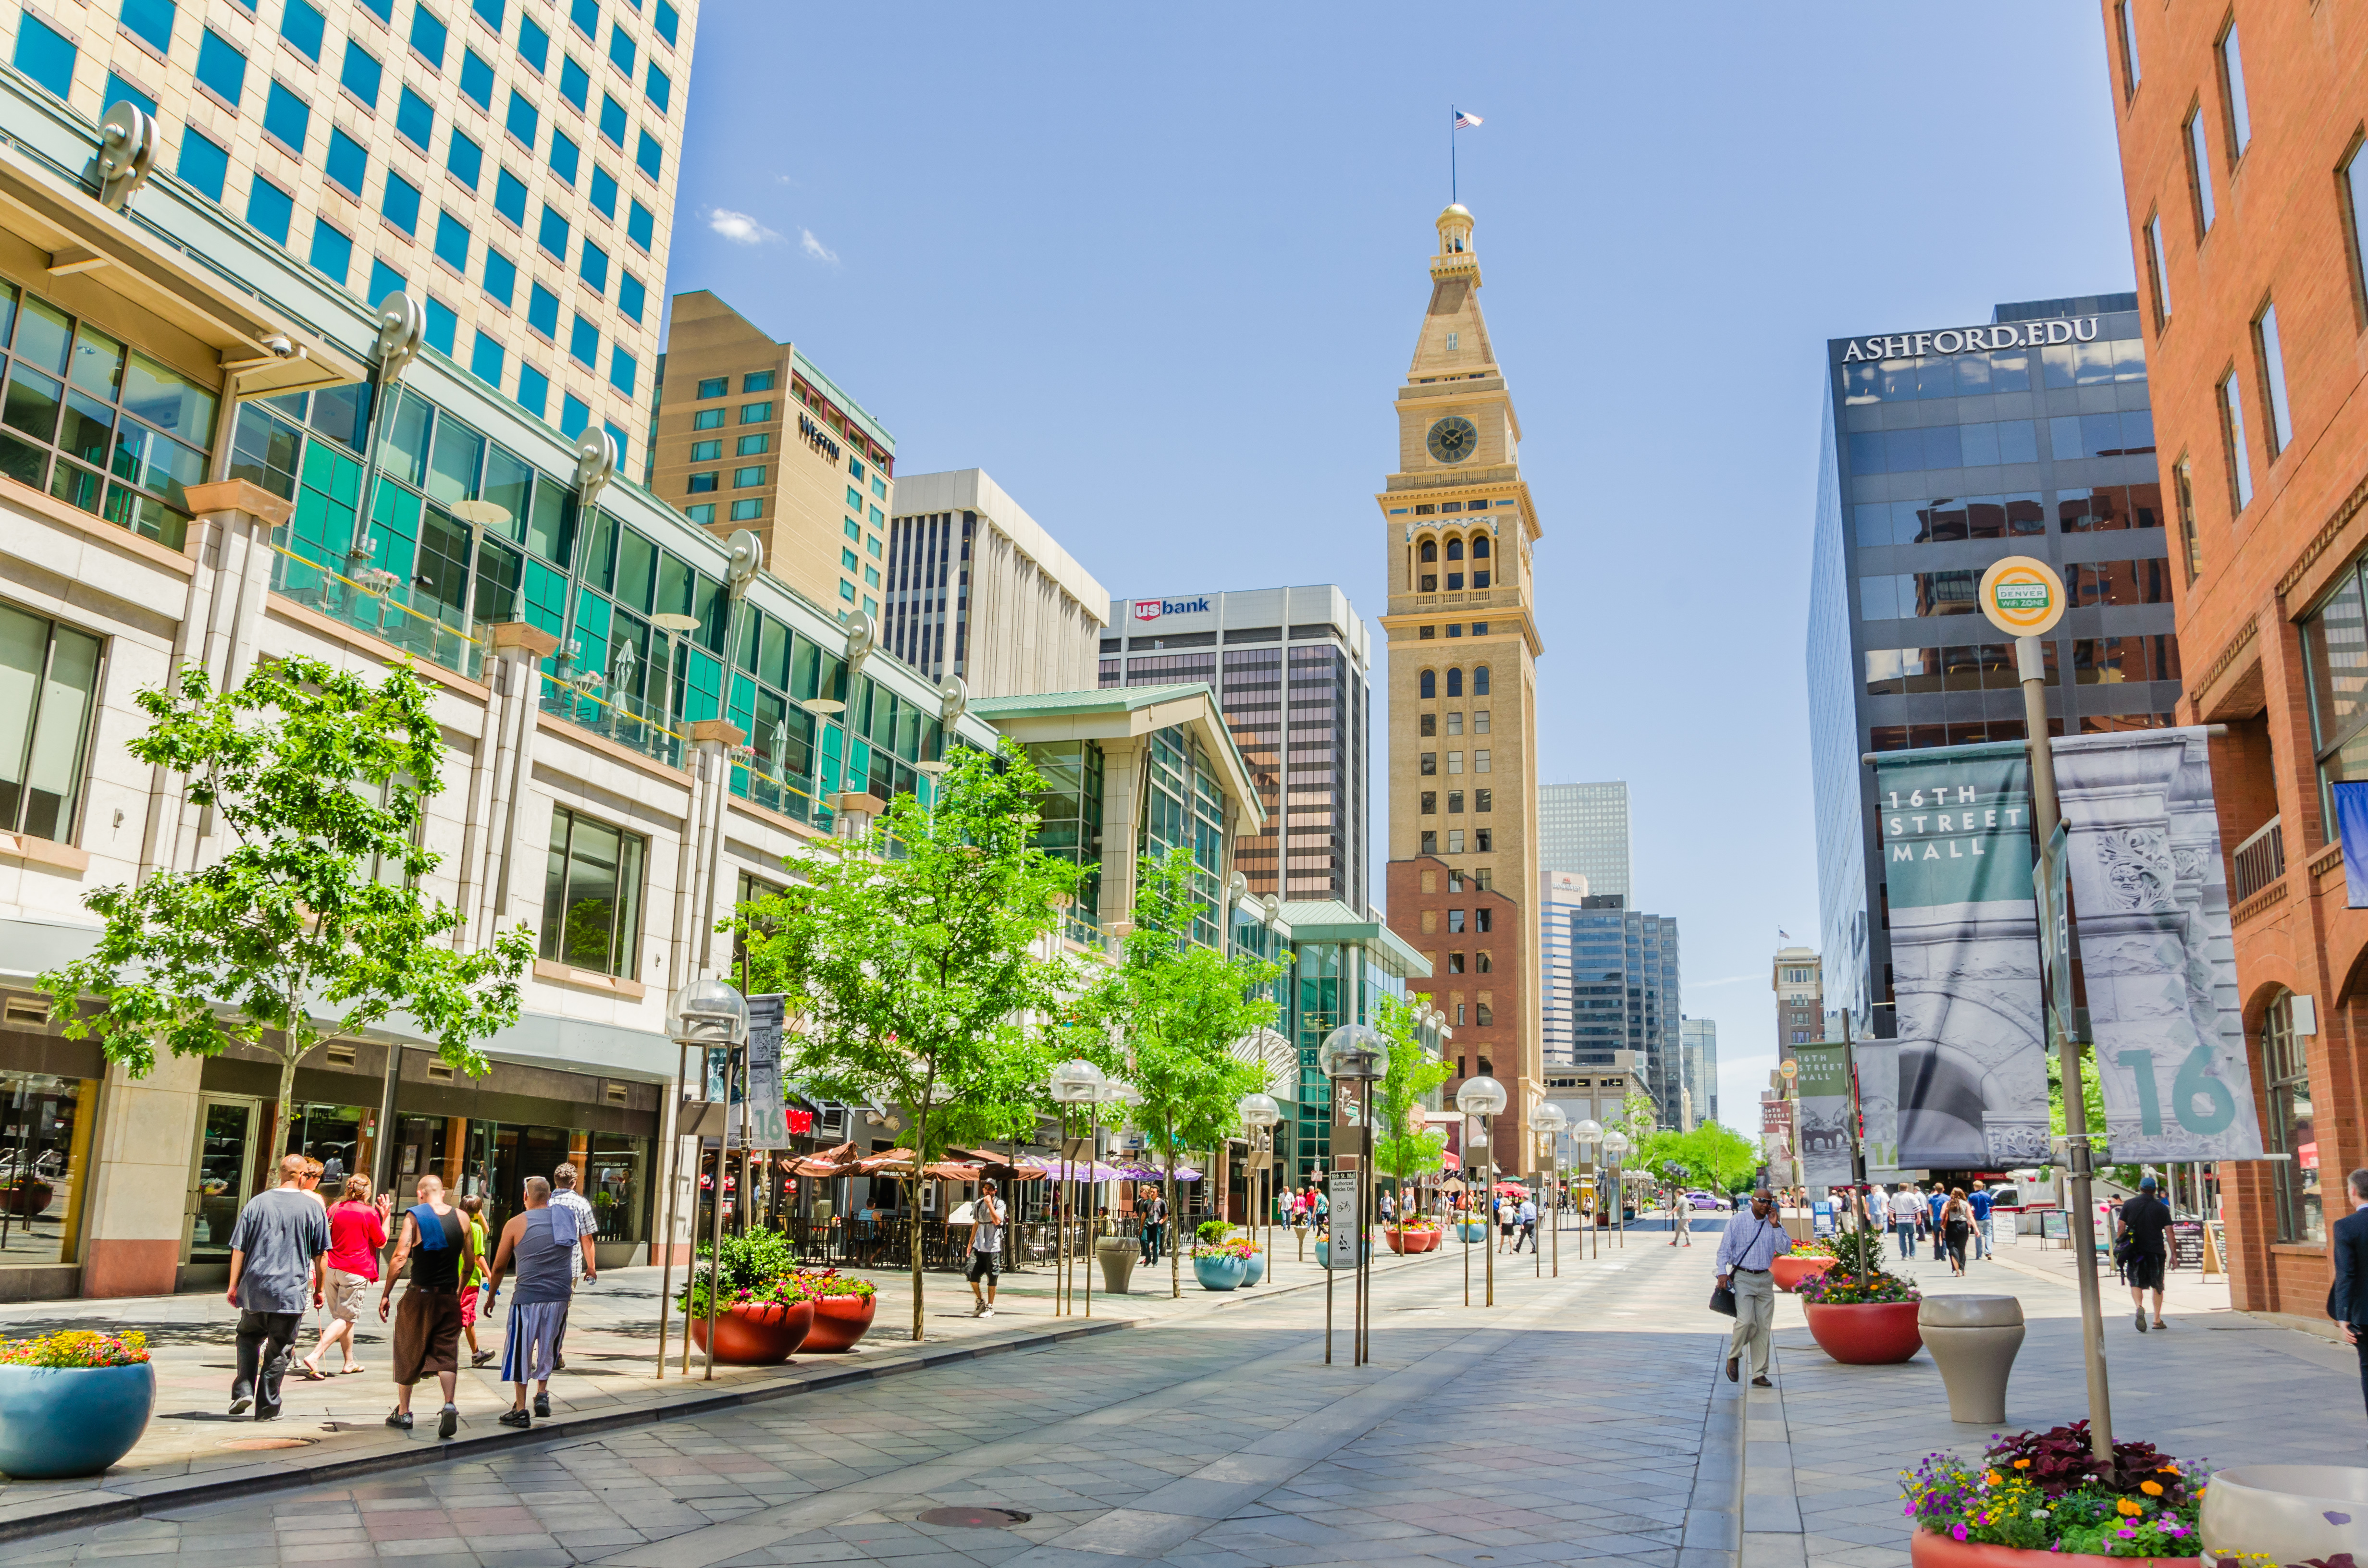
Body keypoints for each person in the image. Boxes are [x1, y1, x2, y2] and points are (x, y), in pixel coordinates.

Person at [225, 1153, 331, 1420]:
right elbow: (322, 1255)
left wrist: (233, 1285)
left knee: (248, 1337)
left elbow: (239, 1248)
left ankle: (244, 1390)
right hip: (290, 1289)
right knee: (280, 1347)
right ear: (302, 1176)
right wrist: (320, 1289)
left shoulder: (256, 1203)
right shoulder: (313, 1208)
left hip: (255, 1286)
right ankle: (268, 1408)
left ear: (281, 1173)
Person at [483, 1175, 595, 1427]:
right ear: (550, 1196)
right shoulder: (567, 1217)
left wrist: (491, 1297)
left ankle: (520, 1408)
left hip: (527, 1297)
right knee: (548, 1346)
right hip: (559, 1296)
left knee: (521, 1349)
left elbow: (499, 1266)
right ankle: (542, 1392)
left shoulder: (515, 1223)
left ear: (526, 1196)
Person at [380, 1174, 469, 1438]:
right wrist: (458, 1292)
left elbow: (400, 1257)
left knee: (408, 1349)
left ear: (420, 1194)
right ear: (443, 1193)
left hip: (419, 1296)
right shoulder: (463, 1218)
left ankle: (404, 1412)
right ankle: (449, 1404)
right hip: (448, 1297)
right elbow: (469, 1263)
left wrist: (386, 1293)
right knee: (446, 1353)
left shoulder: (415, 1216)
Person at [299, 1174, 390, 1379]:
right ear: (367, 1192)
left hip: (332, 1269)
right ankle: (315, 1356)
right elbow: (382, 1242)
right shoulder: (369, 1212)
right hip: (355, 1270)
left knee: (345, 1319)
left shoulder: (335, 1208)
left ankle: (349, 1362)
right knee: (345, 1318)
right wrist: (386, 1217)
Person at [1715, 1188, 1791, 1389]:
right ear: (1752, 1200)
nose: (1766, 1205)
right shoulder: (1738, 1221)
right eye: (1762, 1201)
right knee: (1746, 1321)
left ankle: (1759, 1373)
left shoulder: (1772, 1223)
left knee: (1763, 1327)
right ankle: (1733, 1356)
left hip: (1765, 1278)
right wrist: (1721, 1272)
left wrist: (1776, 1226)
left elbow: (1785, 1249)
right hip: (1743, 1277)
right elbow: (1724, 1250)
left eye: (1769, 1202)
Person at [2327, 1168, 2368, 1421]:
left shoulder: (2346, 1226)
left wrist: (2343, 1315)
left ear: (2353, 1191)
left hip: (2364, 1315)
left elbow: (2346, 1274)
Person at [548, 1163, 597, 1370]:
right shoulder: (581, 1203)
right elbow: (587, 1238)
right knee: (561, 1311)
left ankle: (538, 1351)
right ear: (575, 1182)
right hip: (570, 1266)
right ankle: (553, 1355)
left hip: (544, 1265)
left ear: (555, 1181)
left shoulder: (545, 1201)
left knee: (542, 1309)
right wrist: (591, 1267)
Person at [2117, 1173, 2173, 1332]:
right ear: (2155, 1190)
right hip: (2156, 1251)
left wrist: (2120, 1244)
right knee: (2157, 1285)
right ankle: (2157, 1320)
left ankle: (2139, 1307)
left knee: (2135, 1281)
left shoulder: (2129, 1205)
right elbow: (2170, 1232)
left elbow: (2121, 1227)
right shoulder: (2161, 1208)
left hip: (2136, 1251)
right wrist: (2174, 1255)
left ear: (2140, 1189)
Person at [456, 1193, 496, 1368]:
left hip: (454, 1278)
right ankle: (475, 1355)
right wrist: (490, 1276)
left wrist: (478, 1214)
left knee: (461, 1316)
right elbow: (477, 1257)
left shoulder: (456, 1224)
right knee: (467, 1317)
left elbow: (487, 1230)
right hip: (470, 1281)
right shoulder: (475, 1229)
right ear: (479, 1211)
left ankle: (475, 1353)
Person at [968, 1178, 1005, 1317]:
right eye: (985, 1188)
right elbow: (976, 1223)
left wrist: (990, 1204)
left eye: (990, 1189)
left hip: (993, 1246)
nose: (987, 1191)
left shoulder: (999, 1203)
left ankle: (990, 1307)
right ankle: (980, 1302)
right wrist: (970, 1243)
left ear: (995, 1191)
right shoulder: (978, 1203)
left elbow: (997, 1221)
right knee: (971, 1274)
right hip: (978, 1246)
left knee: (992, 1277)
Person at [1941, 1187, 1973, 1277]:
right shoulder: (1966, 1204)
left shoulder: (1948, 1203)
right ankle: (1962, 1269)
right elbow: (1970, 1217)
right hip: (1963, 1226)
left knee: (1952, 1247)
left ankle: (1957, 1271)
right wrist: (1976, 1228)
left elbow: (1942, 1215)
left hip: (1951, 1226)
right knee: (1962, 1248)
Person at [1887, 1184, 1920, 1259]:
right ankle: (1912, 1255)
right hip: (1910, 1220)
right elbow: (1917, 1207)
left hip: (1900, 1220)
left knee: (1902, 1237)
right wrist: (1919, 1217)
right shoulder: (1911, 1196)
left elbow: (1891, 1208)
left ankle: (1905, 1255)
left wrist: (1891, 1217)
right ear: (1907, 1188)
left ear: (1900, 1188)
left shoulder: (1895, 1196)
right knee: (1912, 1237)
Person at [1140, 1190, 1168, 1265]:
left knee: (1156, 1244)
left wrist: (1160, 1222)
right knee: (1144, 1240)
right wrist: (1141, 1227)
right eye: (1151, 1192)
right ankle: (1148, 1258)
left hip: (1156, 1225)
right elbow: (1144, 1215)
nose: (1152, 1193)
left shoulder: (1162, 1203)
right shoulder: (1147, 1203)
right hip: (1147, 1225)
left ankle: (1155, 1262)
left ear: (1158, 1193)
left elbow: (1166, 1214)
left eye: (1154, 1192)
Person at [1969, 1180, 1994, 1260]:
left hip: (1977, 1219)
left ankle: (1979, 1255)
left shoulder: (1972, 1196)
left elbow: (1969, 1207)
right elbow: (1993, 1205)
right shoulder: (1987, 1195)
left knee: (1978, 1236)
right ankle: (1988, 1252)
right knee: (1988, 1235)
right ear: (1982, 1187)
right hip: (1987, 1218)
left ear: (1975, 1187)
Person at [1926, 1183, 1948, 1261]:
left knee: (1936, 1238)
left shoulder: (1932, 1198)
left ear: (1935, 1190)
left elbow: (1929, 1210)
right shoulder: (1947, 1198)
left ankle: (1937, 1255)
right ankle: (1943, 1255)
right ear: (1943, 1189)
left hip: (1936, 1220)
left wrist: (1933, 1216)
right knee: (1944, 1237)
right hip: (1944, 1220)